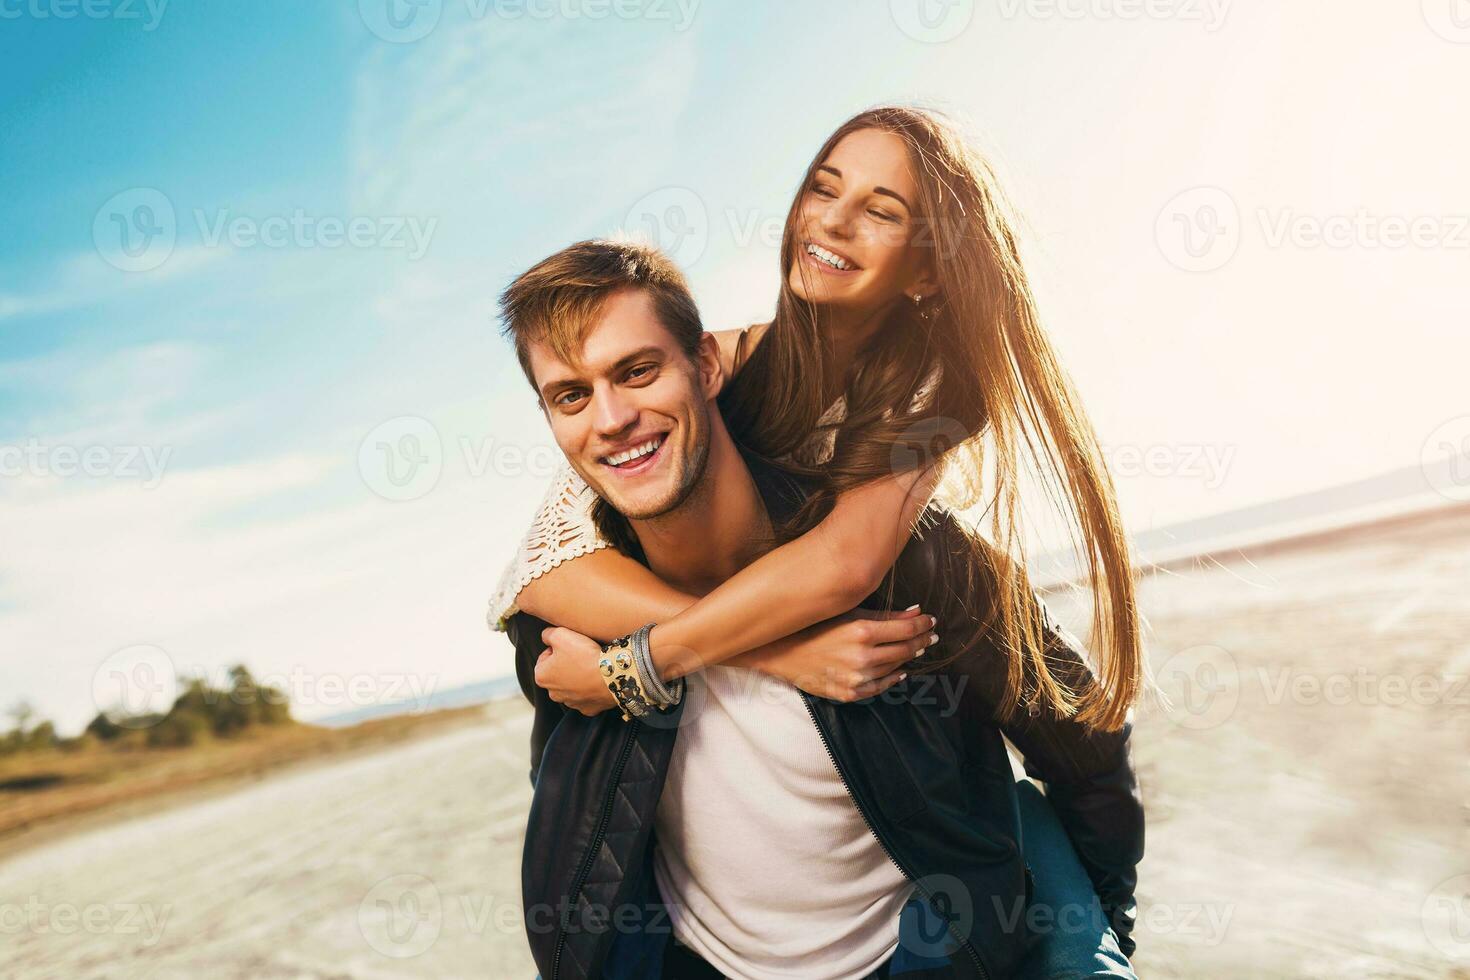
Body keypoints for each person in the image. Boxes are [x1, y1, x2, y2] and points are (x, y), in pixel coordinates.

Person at [500, 238, 1142, 979]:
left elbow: (1083, 742)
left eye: (637, 371)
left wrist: (1100, 938)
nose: (609, 418)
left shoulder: (916, 558)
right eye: (570, 396)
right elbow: (581, 812)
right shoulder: (560, 628)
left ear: (706, 366)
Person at [488, 105, 1142, 740]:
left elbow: (841, 565)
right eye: (823, 190)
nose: (832, 221)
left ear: (927, 270)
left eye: (882, 211)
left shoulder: (940, 389)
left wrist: (633, 669)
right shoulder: (711, 363)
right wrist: (777, 656)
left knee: (1061, 706)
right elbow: (546, 573)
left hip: (941, 633)